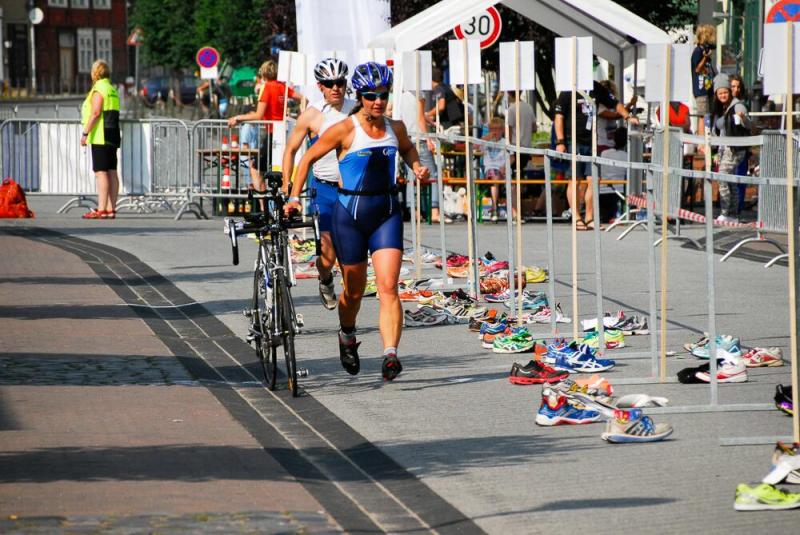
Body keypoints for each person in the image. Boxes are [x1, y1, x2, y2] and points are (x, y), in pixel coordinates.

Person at [285, 62, 429, 381]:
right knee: (354, 292)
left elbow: (408, 149)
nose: (378, 101)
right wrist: (293, 197)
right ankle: (347, 334)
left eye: (383, 95)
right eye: (371, 96)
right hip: (349, 215)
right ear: (360, 96)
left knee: (388, 287)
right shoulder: (345, 129)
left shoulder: (396, 128)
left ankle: (390, 354)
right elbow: (306, 158)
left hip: (386, 213)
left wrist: (417, 166)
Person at [282, 58, 354, 310]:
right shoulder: (311, 115)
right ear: (320, 86)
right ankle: (325, 278)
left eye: (340, 82)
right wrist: (287, 187)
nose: (336, 88)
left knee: (351, 255)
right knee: (327, 254)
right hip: (324, 190)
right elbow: (291, 150)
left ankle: (349, 311)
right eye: (329, 83)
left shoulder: (357, 110)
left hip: (353, 192)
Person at [554, 80, 639, 229]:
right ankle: (576, 217)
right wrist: (560, 141)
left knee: (594, 179)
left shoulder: (596, 87)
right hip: (573, 140)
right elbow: (559, 117)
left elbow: (615, 104)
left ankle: (589, 217)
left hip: (592, 141)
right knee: (575, 180)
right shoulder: (568, 90)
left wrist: (627, 116)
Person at [228, 60, 303, 192]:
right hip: (284, 133)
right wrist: (301, 117)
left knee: (255, 168)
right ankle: (274, 198)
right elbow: (303, 98)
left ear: (263, 73)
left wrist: (238, 118)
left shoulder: (266, 87)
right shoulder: (282, 86)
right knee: (277, 168)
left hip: (273, 134)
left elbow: (259, 115)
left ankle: (264, 200)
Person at [80, 59, 121, 220]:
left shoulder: (99, 89)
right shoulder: (112, 89)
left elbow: (96, 113)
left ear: (95, 73)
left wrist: (85, 133)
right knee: (112, 171)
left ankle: (102, 209)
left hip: (100, 135)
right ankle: (111, 209)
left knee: (101, 172)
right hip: (113, 132)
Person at [399, 87, 444, 223]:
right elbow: (419, 119)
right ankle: (434, 211)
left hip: (406, 138)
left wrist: (430, 121)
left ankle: (415, 211)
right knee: (433, 174)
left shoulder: (400, 94)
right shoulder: (419, 93)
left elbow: (413, 115)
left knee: (411, 175)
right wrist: (428, 138)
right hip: (420, 139)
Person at [711, 73, 750, 223]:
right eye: (720, 93)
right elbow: (717, 130)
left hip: (735, 149)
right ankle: (733, 214)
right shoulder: (720, 108)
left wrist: (743, 118)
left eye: (725, 92)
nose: (723, 95)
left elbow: (749, 125)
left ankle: (725, 211)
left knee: (722, 176)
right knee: (730, 180)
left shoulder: (737, 106)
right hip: (724, 149)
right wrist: (715, 152)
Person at [691, 24, 717, 138]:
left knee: (708, 114)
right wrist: (705, 57)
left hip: (708, 87)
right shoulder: (698, 51)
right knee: (703, 115)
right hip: (701, 88)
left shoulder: (705, 50)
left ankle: (707, 136)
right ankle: (702, 140)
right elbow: (697, 69)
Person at [482, 117, 507, 222]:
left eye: (498, 129)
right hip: (490, 168)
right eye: (492, 129)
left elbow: (512, 157)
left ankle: (515, 214)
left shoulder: (505, 142)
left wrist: (505, 166)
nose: (495, 131)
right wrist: (488, 137)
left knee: (514, 184)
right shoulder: (486, 141)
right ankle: (494, 208)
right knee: (494, 177)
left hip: (504, 168)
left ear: (502, 130)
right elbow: (473, 146)